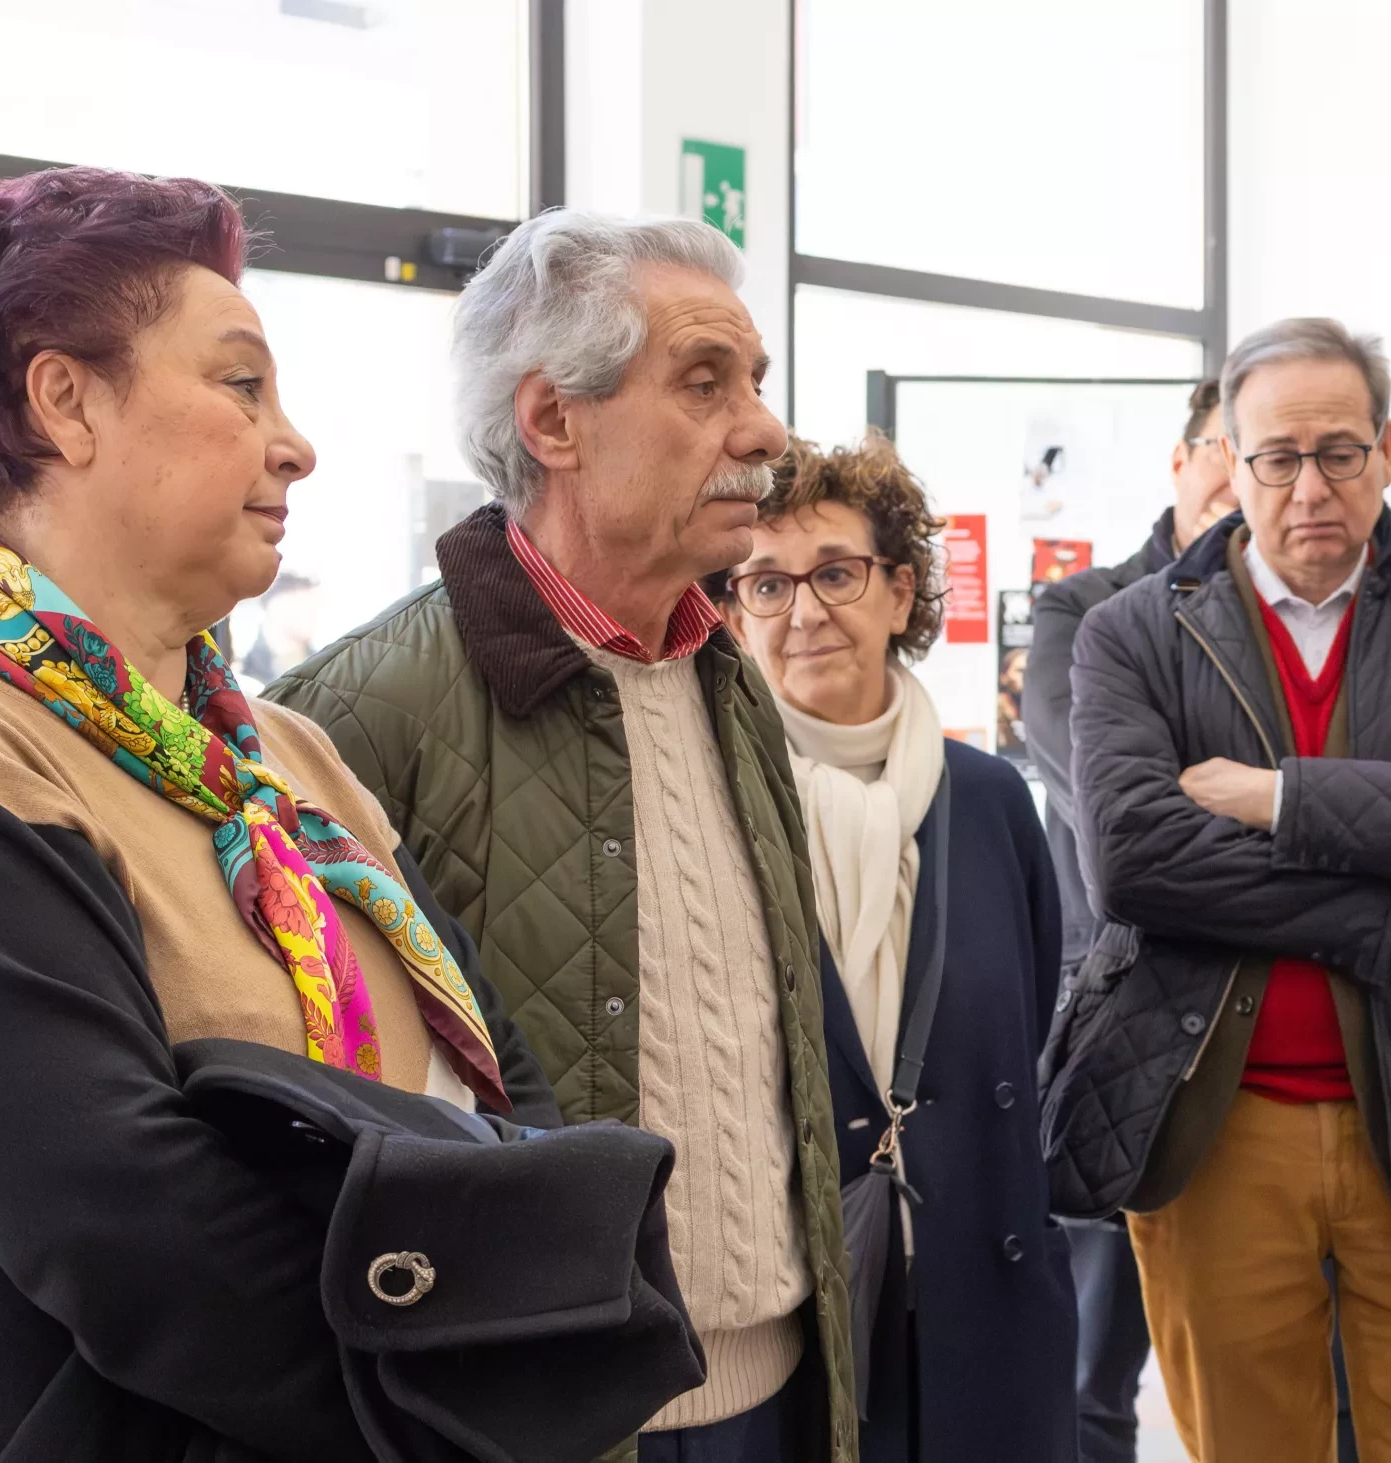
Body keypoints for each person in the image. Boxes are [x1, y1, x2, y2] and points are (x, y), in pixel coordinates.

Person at [0, 167, 691, 1456]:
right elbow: (115, 1218)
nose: (295, 442)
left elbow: (495, 1057)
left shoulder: (284, 753)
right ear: (66, 401)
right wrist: (433, 1411)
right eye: (238, 383)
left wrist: (530, 1315)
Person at [265, 210, 858, 1460]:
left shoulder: (729, 676)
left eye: (755, 383)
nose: (763, 429)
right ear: (552, 421)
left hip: (784, 1375)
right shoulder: (359, 715)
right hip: (551, 1406)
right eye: (705, 384)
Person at [1047, 317, 1391, 1462]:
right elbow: (1135, 859)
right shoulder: (1131, 637)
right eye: (1276, 457)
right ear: (1224, 462)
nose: (1309, 486)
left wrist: (1271, 797)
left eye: (1339, 450)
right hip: (1212, 1124)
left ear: (1385, 449)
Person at [709, 434, 1073, 1462]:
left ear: (901, 589)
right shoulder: (715, 797)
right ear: (734, 612)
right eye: (765, 583)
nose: (805, 610)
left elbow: (1021, 1018)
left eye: (835, 572)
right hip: (795, 1297)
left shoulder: (993, 801)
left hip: (983, 1287)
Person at [1019, 377, 1238, 1463]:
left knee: (1285, 1375)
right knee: (1086, 1381)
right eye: (1228, 445)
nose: (1252, 474)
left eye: (1286, 449)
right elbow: (1109, 805)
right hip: (1122, 1027)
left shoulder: (1352, 634)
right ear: (1179, 457)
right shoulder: (1083, 610)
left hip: (1282, 1043)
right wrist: (1307, 813)